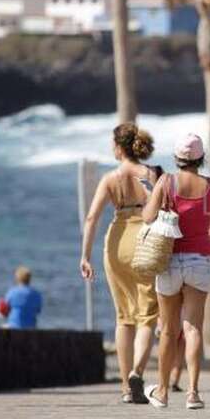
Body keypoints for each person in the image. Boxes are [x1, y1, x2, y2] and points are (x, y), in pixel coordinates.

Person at [142, 133, 210, 409]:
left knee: (167, 330)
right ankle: (193, 394)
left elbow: (147, 217)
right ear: (201, 158)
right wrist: (205, 238)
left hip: (170, 261)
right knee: (193, 329)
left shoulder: (167, 182)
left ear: (177, 158)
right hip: (199, 259)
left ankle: (163, 392)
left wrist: (154, 192)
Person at [80, 123, 160, 404]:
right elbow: (164, 209)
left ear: (118, 147)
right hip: (145, 239)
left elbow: (92, 218)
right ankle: (138, 371)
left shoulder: (110, 179)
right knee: (148, 315)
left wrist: (85, 256)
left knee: (124, 317)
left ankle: (126, 387)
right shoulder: (152, 174)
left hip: (116, 242)